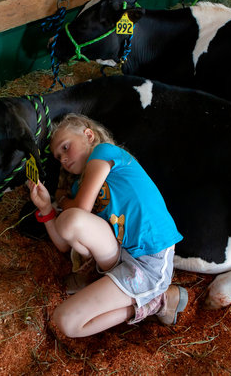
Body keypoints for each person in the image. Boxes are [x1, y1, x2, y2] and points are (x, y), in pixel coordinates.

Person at [27, 113, 186, 338]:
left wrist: (61, 201)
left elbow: (79, 209)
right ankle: (94, 278)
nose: (62, 158)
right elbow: (64, 243)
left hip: (149, 260)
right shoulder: (76, 192)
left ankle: (157, 301)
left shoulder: (105, 152)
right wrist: (45, 208)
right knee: (69, 222)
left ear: (89, 135)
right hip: (117, 254)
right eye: (57, 156)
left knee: (65, 322)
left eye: (65, 147)